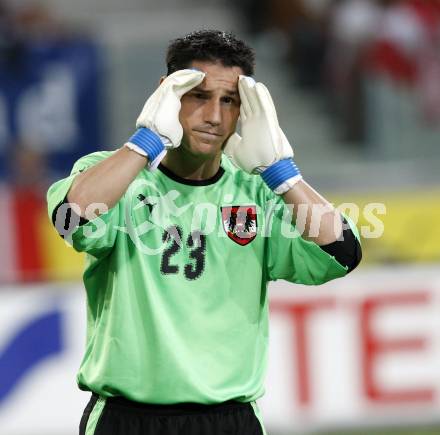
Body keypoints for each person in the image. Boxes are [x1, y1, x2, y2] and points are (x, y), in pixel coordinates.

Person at [47, 29, 361, 435]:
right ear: (167, 94)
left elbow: (342, 253)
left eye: (229, 101)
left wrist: (283, 174)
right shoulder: (116, 175)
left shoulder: (257, 192)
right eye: (199, 96)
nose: (214, 116)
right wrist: (145, 143)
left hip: (229, 420)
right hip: (128, 419)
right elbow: (71, 220)